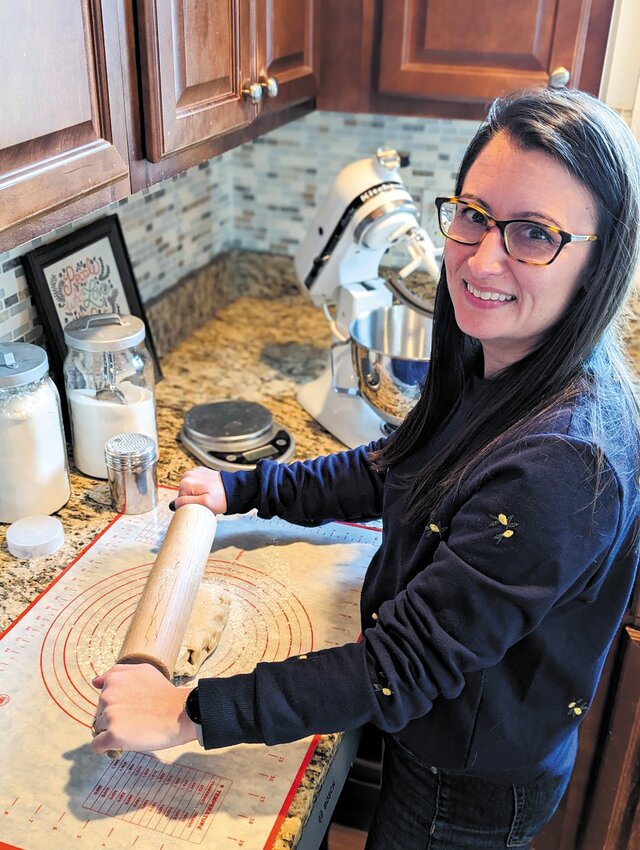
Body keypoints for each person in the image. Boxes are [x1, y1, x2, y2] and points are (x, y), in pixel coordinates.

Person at [92, 88, 640, 850]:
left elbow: (402, 666)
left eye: (534, 234)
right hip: (447, 735)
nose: (482, 257)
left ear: (599, 258)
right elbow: (398, 463)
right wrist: (241, 488)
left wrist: (184, 712)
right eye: (474, 214)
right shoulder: (505, 360)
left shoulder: (560, 463)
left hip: (468, 784)